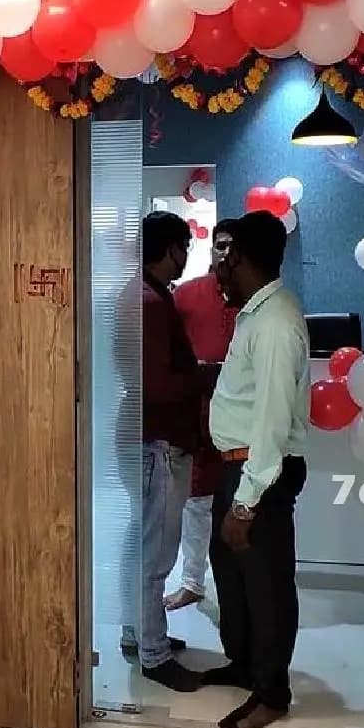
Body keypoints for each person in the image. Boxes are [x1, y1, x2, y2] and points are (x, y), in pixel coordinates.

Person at [205, 211, 311, 728]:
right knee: (231, 571)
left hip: (259, 472)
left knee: (266, 584)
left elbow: (270, 419)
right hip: (241, 468)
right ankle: (245, 663)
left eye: (223, 256)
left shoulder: (275, 321)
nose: (216, 268)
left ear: (239, 256)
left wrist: (246, 501)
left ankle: (271, 691)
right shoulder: (255, 314)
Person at [118, 212, 211, 692]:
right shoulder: (149, 302)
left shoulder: (144, 295)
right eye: (185, 246)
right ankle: (153, 654)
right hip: (155, 439)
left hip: (144, 435)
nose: (189, 254)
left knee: (141, 543)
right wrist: (206, 376)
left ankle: (140, 635)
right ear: (170, 248)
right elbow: (156, 385)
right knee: (155, 554)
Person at [164, 220, 238, 611]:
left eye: (233, 247)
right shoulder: (187, 295)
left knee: (240, 501)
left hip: (244, 423)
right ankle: (191, 579)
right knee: (195, 501)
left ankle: (237, 587)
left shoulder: (254, 301)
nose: (226, 254)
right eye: (220, 245)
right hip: (196, 416)